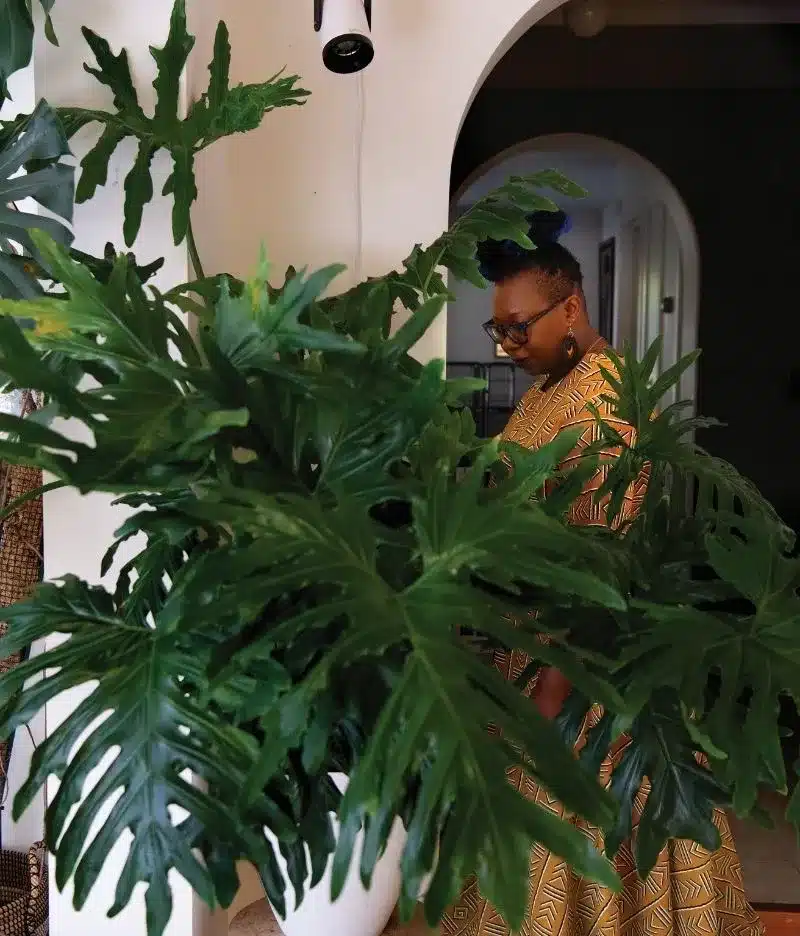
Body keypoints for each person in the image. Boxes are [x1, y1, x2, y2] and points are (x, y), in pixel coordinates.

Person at [439, 213, 764, 936]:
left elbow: (588, 568)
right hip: (531, 650)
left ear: (572, 307)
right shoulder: (551, 384)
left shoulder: (603, 402)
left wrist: (551, 705)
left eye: (518, 327)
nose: (508, 345)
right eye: (500, 331)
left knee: (578, 844)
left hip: (580, 666)